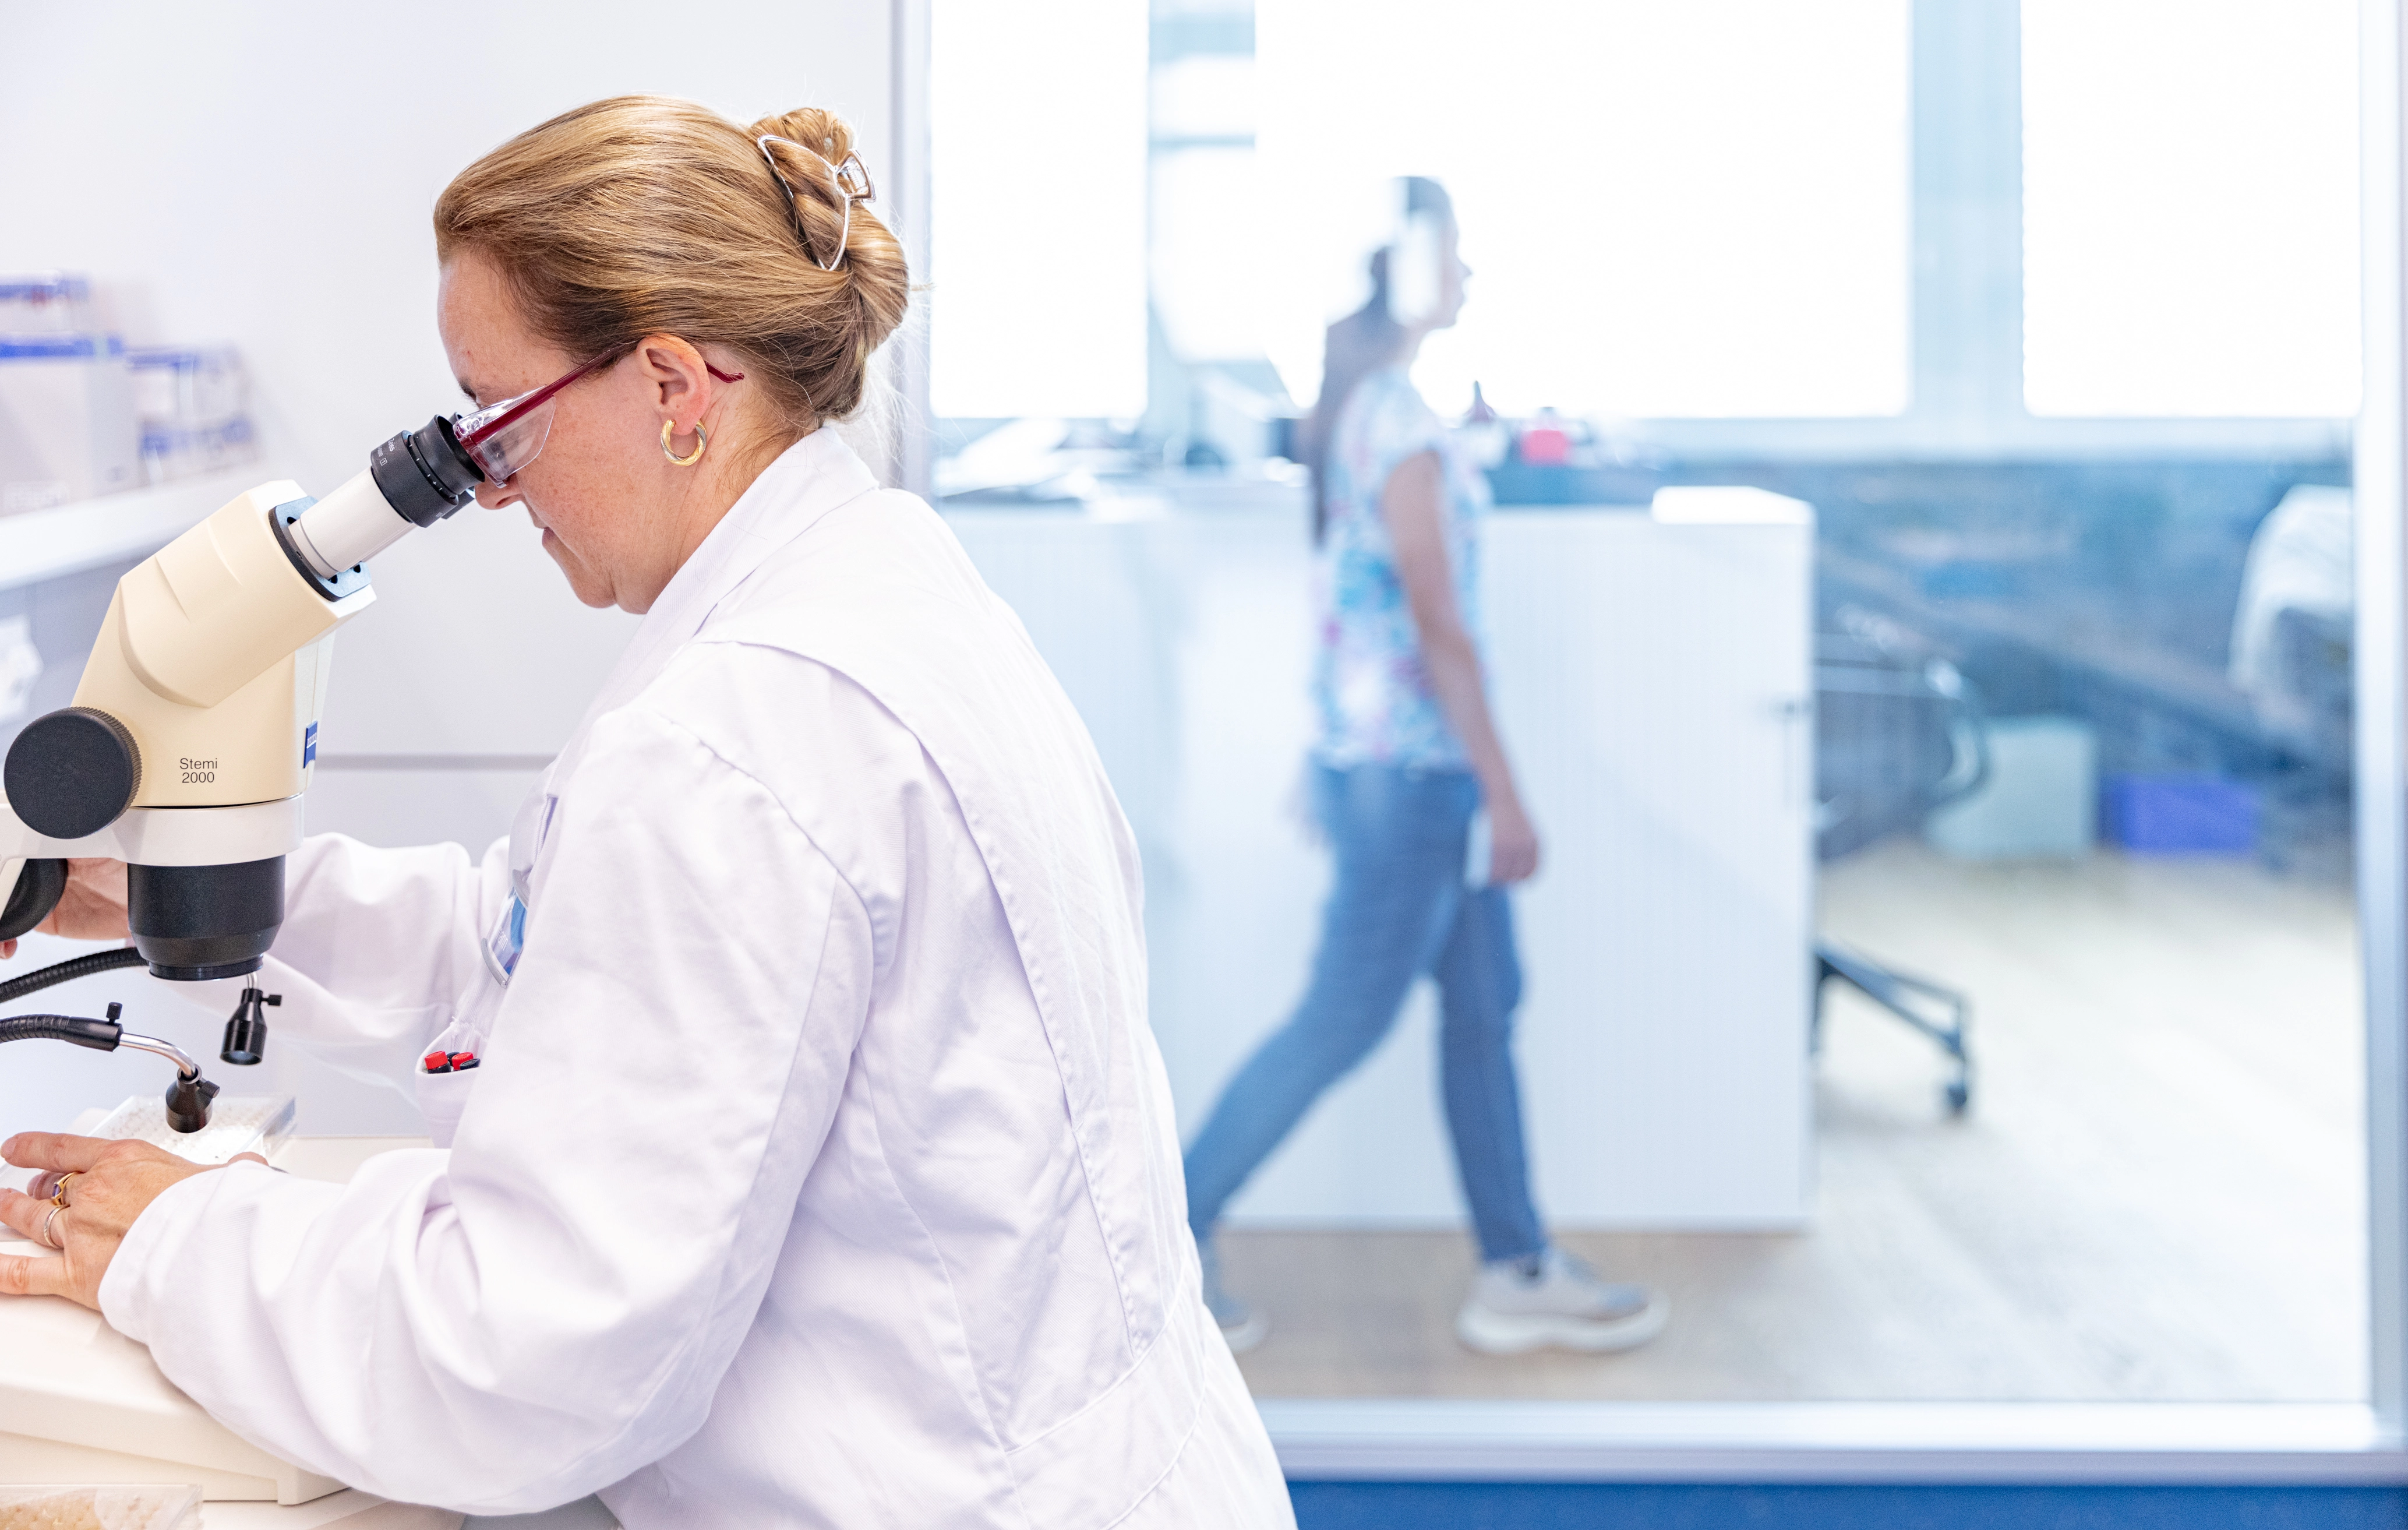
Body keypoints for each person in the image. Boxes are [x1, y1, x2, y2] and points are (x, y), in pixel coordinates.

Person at [0, 97, 1294, 1530]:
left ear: (675, 386)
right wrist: (196, 887)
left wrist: (178, 1232)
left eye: (494, 425)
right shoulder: (872, 587)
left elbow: (518, 1367)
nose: (485, 491)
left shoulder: (733, 741)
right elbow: (539, 938)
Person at [1180, 178, 1669, 1358]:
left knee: (1483, 1009)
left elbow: (1353, 607)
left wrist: (1334, 751)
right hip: (1417, 780)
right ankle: (1164, 1238)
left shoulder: (1362, 408)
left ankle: (1515, 1267)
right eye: (1455, 254)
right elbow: (1433, 624)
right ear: (1400, 270)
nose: (1469, 274)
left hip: (1386, 766)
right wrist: (1503, 789)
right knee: (1342, 1020)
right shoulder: (1396, 425)